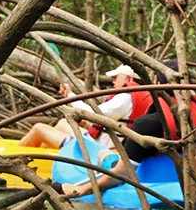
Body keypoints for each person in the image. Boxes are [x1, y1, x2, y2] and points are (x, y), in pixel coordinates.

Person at [53, 72, 196, 198]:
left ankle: (98, 169)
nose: (112, 81)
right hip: (194, 184)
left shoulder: (147, 124)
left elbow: (122, 175)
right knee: (108, 153)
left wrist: (83, 189)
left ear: (155, 85)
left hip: (154, 179)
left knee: (107, 156)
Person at [21, 64, 154, 150]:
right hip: (104, 143)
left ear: (128, 79)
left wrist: (69, 95)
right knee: (62, 123)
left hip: (96, 150)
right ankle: (47, 158)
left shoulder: (125, 98)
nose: (113, 81)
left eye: (116, 77)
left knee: (38, 128)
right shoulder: (135, 96)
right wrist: (86, 125)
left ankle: (16, 159)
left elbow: (92, 114)